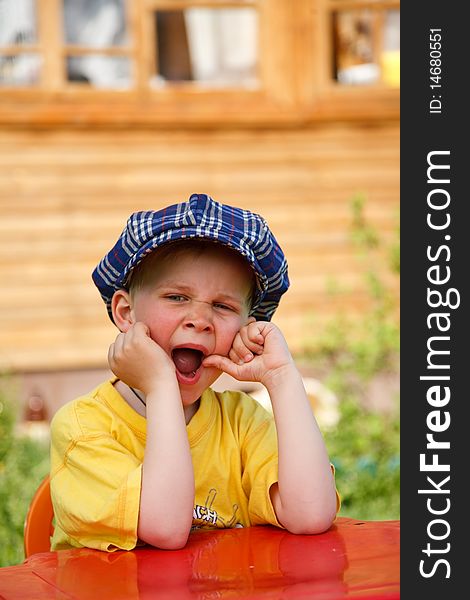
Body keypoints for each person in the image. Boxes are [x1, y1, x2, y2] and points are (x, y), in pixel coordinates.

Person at [49, 193, 339, 552]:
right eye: (176, 297)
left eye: (222, 305)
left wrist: (282, 378)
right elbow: (166, 529)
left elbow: (311, 514)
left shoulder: (241, 423)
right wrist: (159, 386)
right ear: (125, 313)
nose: (199, 320)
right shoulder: (83, 426)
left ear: (246, 329)